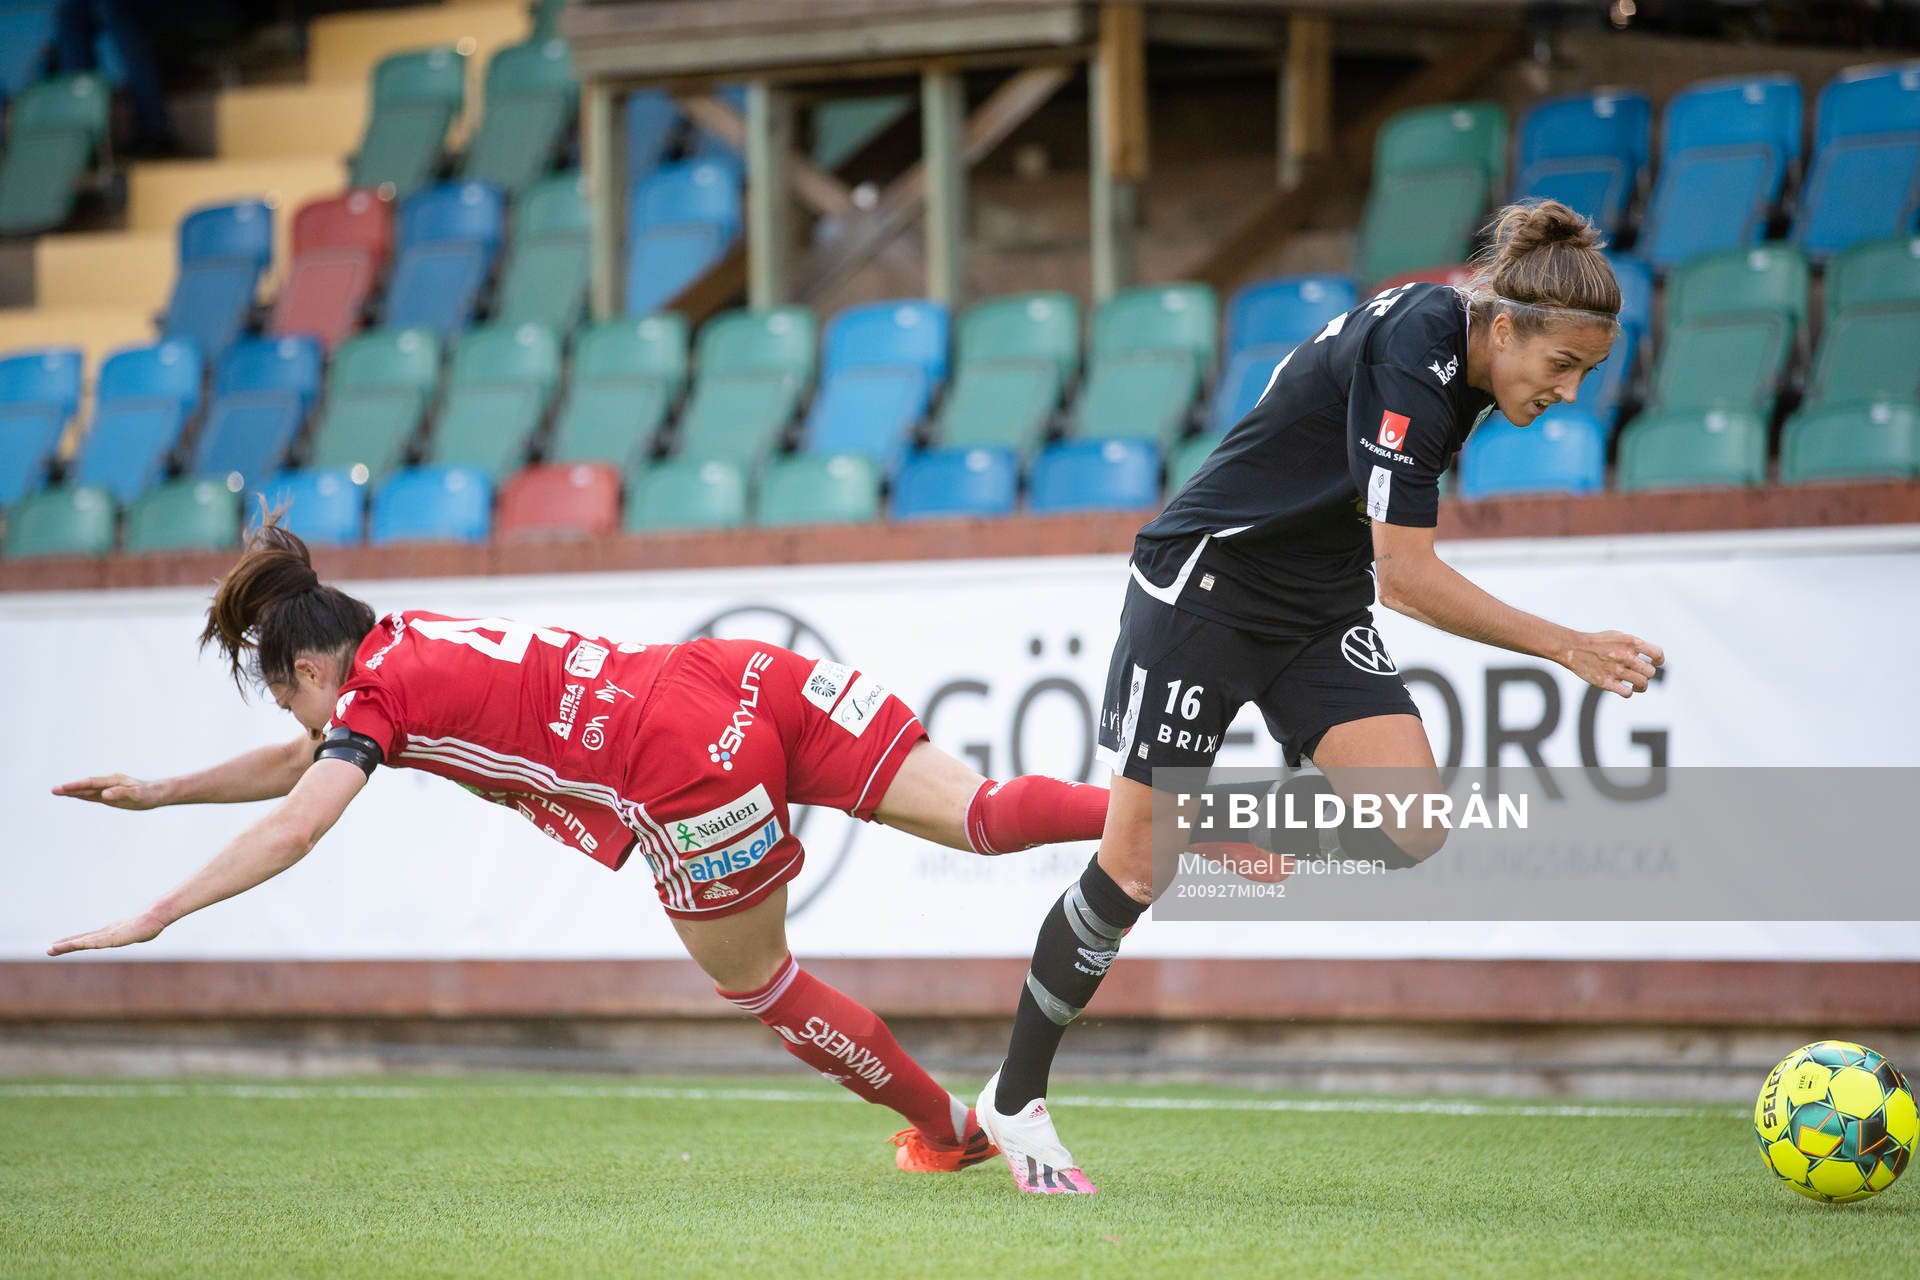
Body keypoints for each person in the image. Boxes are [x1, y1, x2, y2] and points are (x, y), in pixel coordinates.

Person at [47, 518, 1110, 1173]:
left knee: (765, 981)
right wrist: (160, 792)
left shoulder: (371, 695)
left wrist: (156, 912)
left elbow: (300, 816)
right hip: (736, 674)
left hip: (682, 767)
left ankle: (949, 1130)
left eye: (286, 700)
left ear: (311, 674)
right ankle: (1185, 818)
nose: (297, 726)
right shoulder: (405, 635)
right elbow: (299, 765)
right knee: (979, 810)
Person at [972, 200, 1667, 1195]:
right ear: (1504, 325)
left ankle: (1210, 828)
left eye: (1587, 376)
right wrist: (1568, 646)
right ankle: (1016, 1095)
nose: (1568, 392)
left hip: (1311, 600)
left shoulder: (1467, 358)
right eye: (1561, 366)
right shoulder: (1420, 342)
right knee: (1129, 871)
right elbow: (1411, 578)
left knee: (1414, 823)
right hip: (1209, 588)